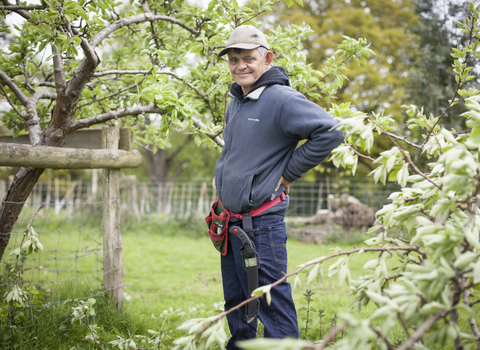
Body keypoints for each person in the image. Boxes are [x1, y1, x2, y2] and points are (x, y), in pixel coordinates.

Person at [212, 25, 344, 349]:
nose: (240, 65)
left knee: (271, 303)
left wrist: (288, 174)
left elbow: (331, 132)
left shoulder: (281, 99)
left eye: (247, 58)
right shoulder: (237, 100)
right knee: (238, 304)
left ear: (267, 58)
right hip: (230, 221)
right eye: (233, 59)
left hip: (262, 225)